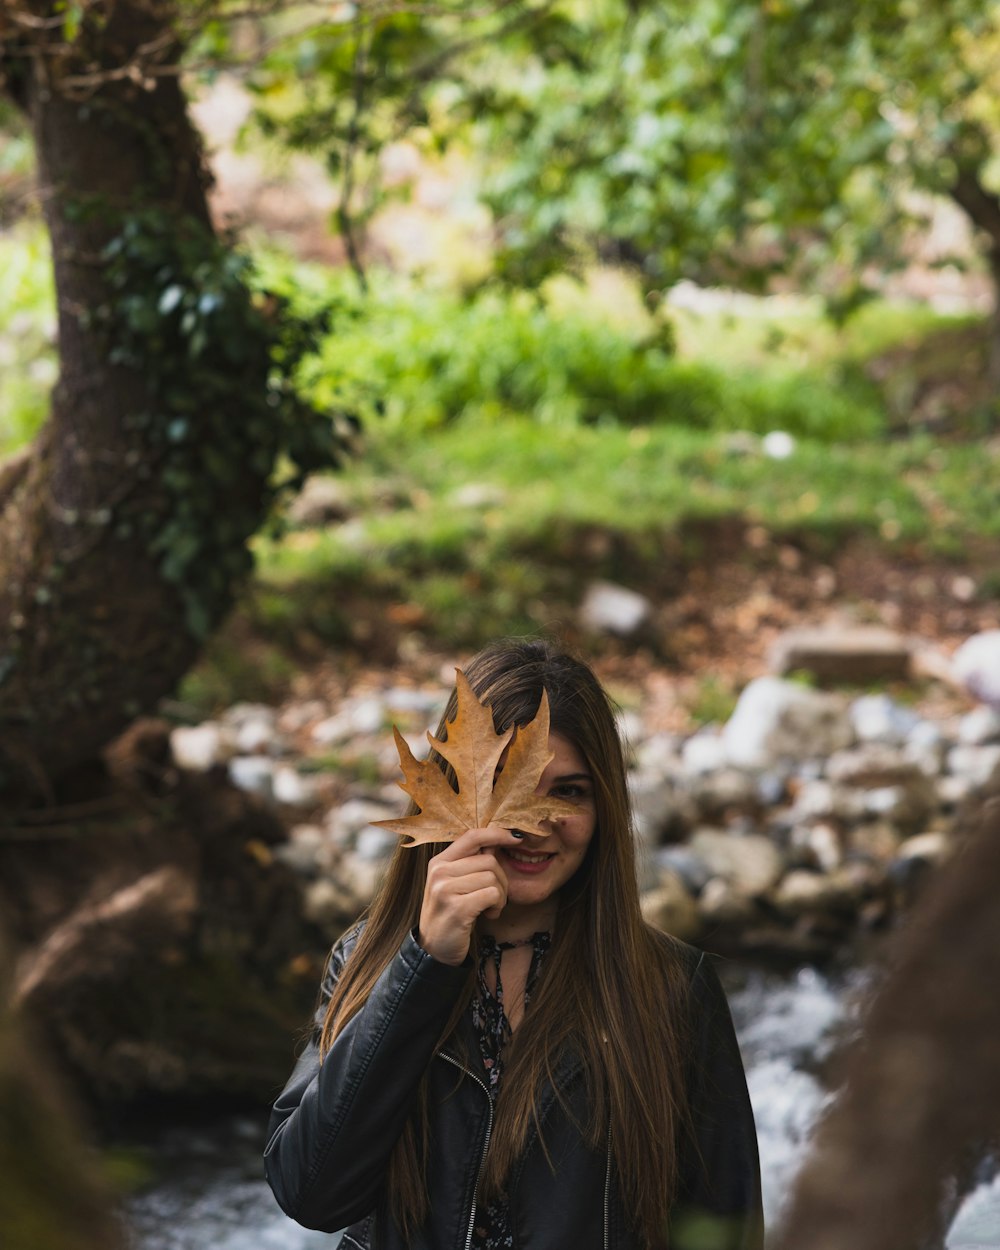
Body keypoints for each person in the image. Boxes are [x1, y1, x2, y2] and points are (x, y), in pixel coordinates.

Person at [264, 639, 763, 1250]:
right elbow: (310, 1194)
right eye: (506, 785)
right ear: (448, 793)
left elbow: (724, 1232)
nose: (534, 823)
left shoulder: (670, 990)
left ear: (605, 806)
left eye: (571, 792)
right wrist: (424, 966)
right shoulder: (371, 961)